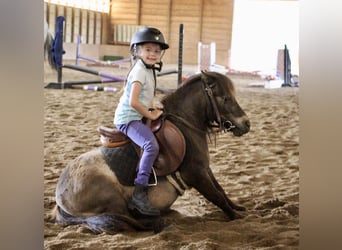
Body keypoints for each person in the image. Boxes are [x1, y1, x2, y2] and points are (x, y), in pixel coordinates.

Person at [113, 27, 169, 217]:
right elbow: (133, 102)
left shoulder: (149, 69)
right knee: (150, 145)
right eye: (148, 50)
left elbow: (146, 97)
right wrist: (151, 115)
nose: (153, 54)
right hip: (128, 119)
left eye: (156, 51)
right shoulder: (139, 72)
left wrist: (153, 108)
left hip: (138, 114)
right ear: (137, 51)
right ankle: (139, 191)